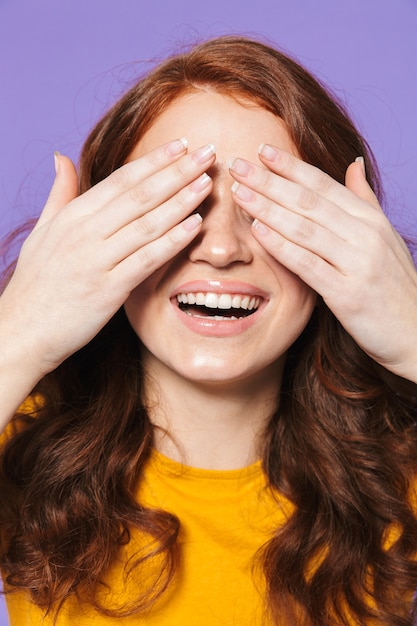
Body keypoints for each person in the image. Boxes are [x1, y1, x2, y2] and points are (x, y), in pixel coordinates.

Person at [0, 34, 417, 626]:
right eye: (174, 207)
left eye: (269, 208)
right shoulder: (20, 437)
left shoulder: (399, 462)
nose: (221, 249)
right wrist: (17, 335)